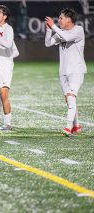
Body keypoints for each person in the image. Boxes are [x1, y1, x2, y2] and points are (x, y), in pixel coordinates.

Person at [45, 8, 86, 137]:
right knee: (69, 100)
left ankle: (68, 127)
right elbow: (48, 44)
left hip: (76, 70)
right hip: (63, 71)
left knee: (71, 96)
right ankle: (77, 126)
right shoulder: (60, 32)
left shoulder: (78, 30)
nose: (59, 20)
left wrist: (53, 26)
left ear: (69, 19)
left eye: (61, 18)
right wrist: (48, 30)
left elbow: (67, 37)